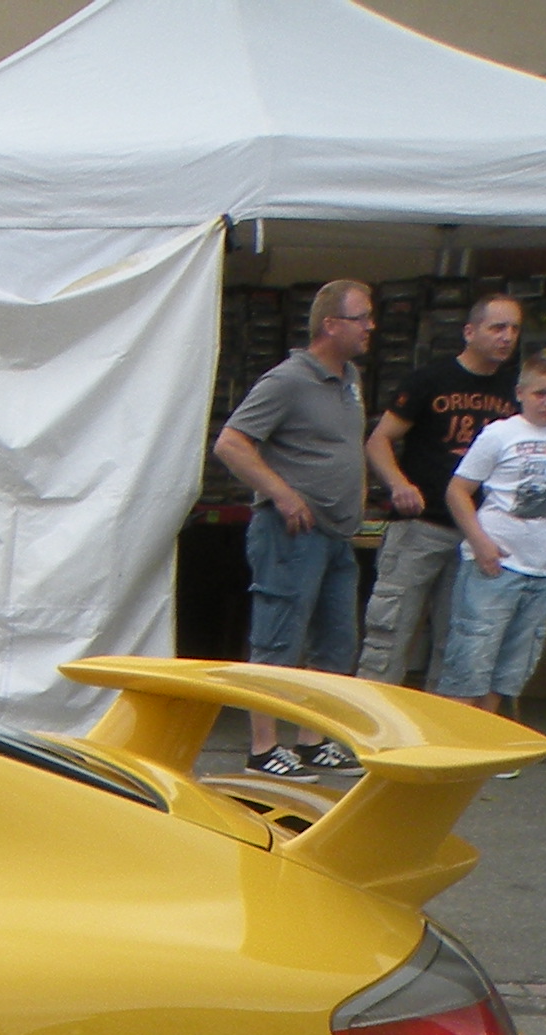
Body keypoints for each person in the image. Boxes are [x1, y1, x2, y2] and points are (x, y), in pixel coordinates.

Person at [214, 279, 376, 777]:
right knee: (278, 639)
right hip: (291, 533)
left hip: (336, 534)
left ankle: (311, 740)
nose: (372, 326)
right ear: (331, 325)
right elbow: (232, 443)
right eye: (362, 317)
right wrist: (282, 493)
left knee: (335, 641)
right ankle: (263, 749)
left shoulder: (349, 379)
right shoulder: (289, 379)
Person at [361, 292, 523, 689]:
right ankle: (367, 733)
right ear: (469, 331)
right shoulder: (429, 380)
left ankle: (438, 741)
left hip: (479, 537)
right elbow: (378, 440)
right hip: (420, 526)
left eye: (514, 329)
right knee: (389, 634)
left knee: (460, 643)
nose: (507, 337)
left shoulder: (519, 390)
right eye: (497, 327)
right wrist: (398, 484)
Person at [432, 351, 546, 719]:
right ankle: (453, 741)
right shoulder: (499, 434)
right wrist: (480, 543)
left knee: (513, 664)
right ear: (520, 392)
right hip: (496, 564)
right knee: (471, 657)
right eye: (540, 393)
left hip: (544, 567)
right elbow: (457, 490)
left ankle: (486, 739)